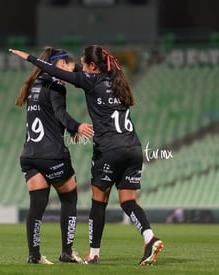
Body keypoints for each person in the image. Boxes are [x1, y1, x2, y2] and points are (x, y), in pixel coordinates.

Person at [10, 45, 164, 266]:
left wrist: (31, 59)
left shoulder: (88, 81)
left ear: (93, 66)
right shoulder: (119, 84)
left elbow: (59, 75)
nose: (79, 68)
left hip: (107, 151)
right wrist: (73, 128)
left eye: (83, 64)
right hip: (133, 148)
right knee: (129, 202)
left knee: (98, 203)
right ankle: (150, 237)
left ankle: (92, 254)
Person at [15, 46, 94, 264]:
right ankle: (67, 251)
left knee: (37, 205)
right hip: (52, 155)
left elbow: (49, 116)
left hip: (30, 155)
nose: (70, 72)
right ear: (58, 65)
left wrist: (69, 130)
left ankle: (34, 255)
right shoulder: (57, 85)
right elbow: (60, 114)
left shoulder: (34, 85)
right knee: (69, 197)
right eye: (68, 66)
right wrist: (76, 127)